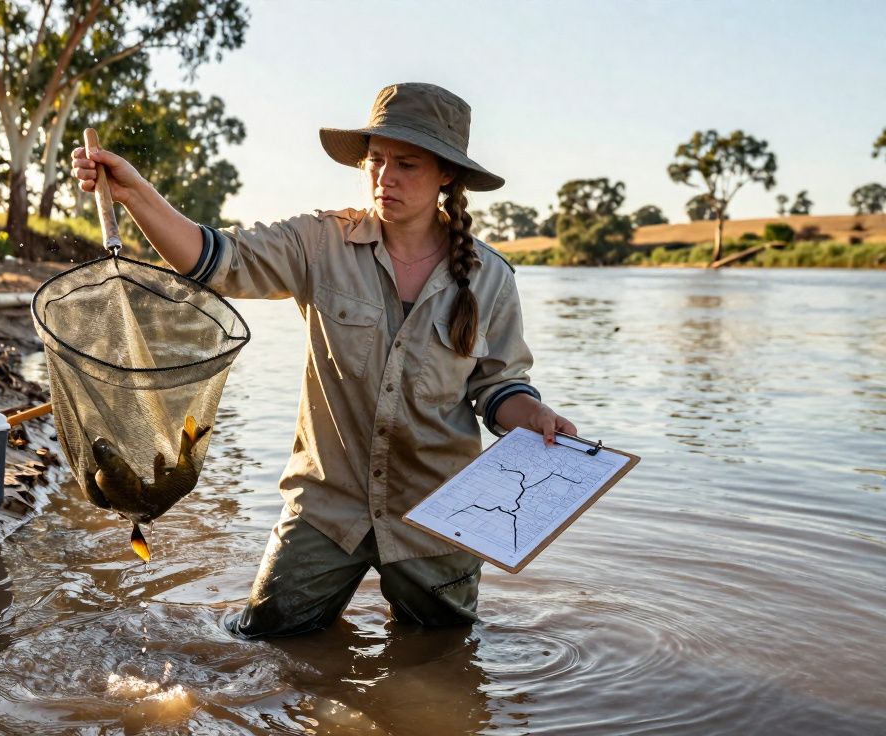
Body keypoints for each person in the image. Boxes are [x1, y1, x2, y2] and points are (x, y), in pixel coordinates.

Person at [70, 82, 577, 638]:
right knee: (266, 642)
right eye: (376, 161)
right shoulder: (318, 243)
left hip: (439, 518)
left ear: (447, 176)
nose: (386, 178)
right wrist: (135, 193)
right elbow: (214, 258)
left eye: (407, 164)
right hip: (324, 509)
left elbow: (500, 388)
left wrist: (535, 418)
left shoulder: (491, 277)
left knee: (444, 660)